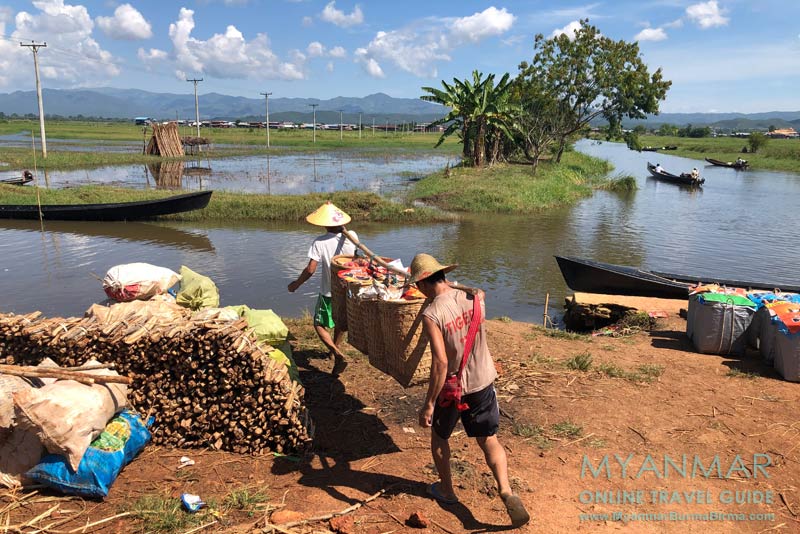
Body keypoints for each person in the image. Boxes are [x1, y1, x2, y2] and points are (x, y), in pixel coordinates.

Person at [412, 253, 530, 527]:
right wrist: (459, 286)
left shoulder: (432, 314)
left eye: (418, 286)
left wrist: (428, 403)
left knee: (439, 438)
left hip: (454, 389)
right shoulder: (474, 298)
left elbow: (441, 362)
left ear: (424, 284)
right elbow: (479, 290)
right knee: (489, 439)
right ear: (443, 276)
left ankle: (447, 491)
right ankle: (505, 490)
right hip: (483, 381)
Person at [288, 201, 358, 376]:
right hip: (347, 290)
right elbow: (355, 260)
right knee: (339, 321)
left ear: (325, 224)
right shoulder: (352, 236)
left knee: (318, 323)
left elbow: (310, 269)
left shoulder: (320, 242)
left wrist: (296, 284)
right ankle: (334, 350)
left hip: (329, 290)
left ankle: (336, 353)